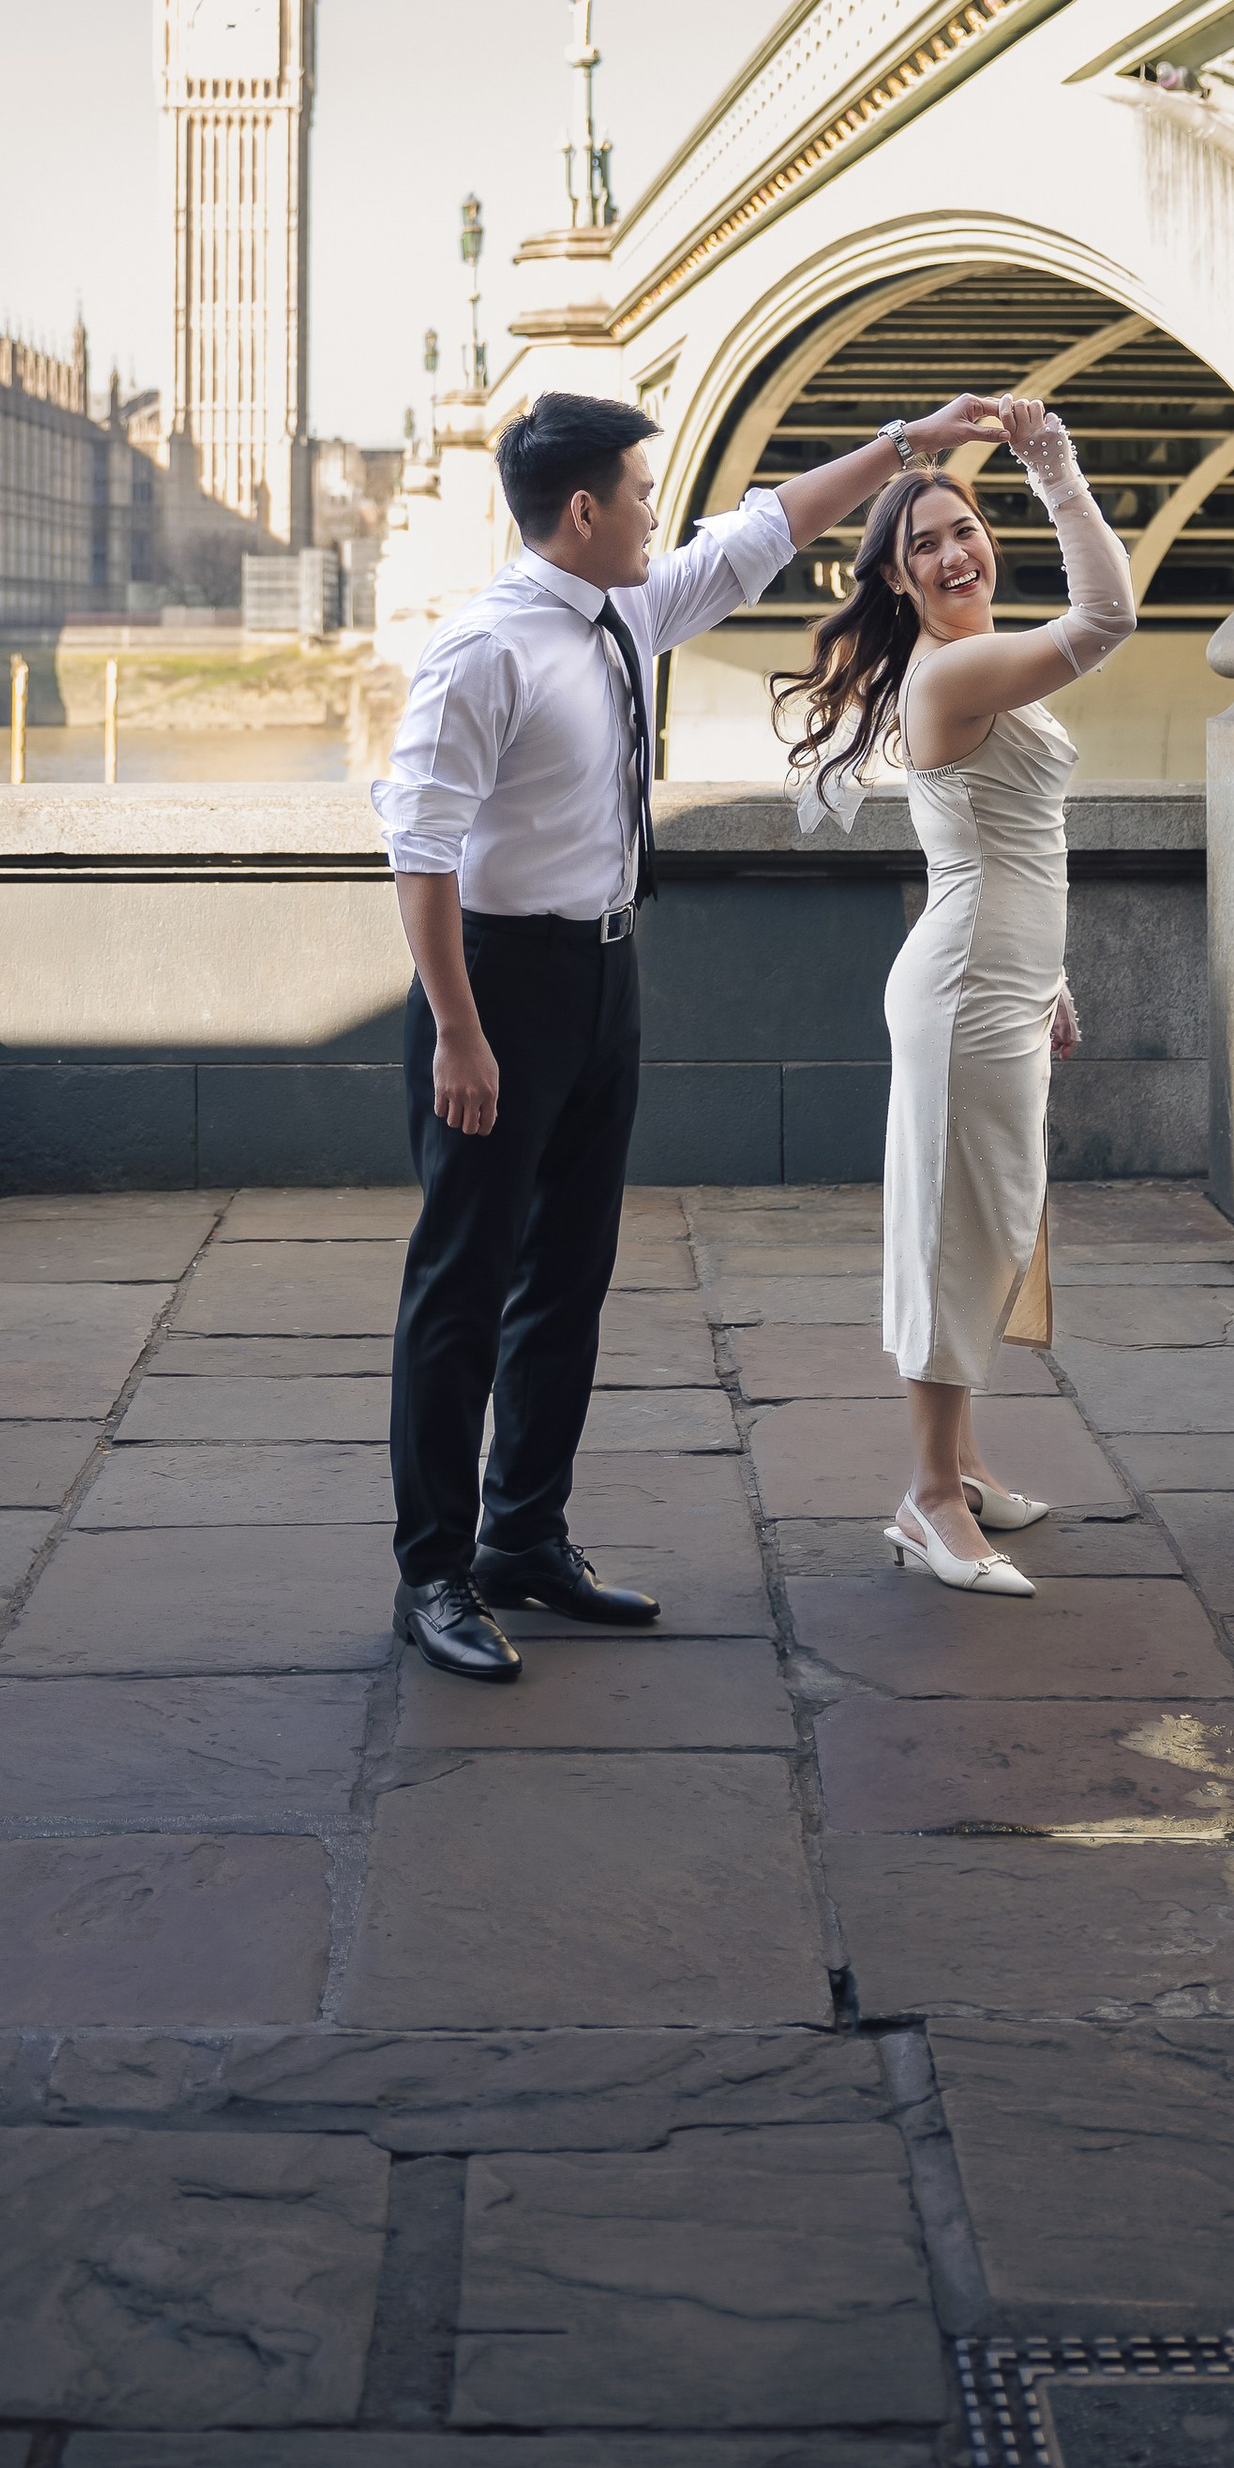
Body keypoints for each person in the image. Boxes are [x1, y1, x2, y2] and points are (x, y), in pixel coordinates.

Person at [373, 383, 1013, 1679]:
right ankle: (434, 1574)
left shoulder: (621, 608)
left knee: (568, 1277)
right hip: (495, 988)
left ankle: (523, 1541)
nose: (665, 513)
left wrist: (906, 441)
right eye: (646, 492)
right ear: (586, 508)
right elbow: (420, 850)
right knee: (461, 1290)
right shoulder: (484, 647)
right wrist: (458, 1031)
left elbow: (761, 531)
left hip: (605, 977)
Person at [774, 395, 1135, 1596]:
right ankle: (928, 1501)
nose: (954, 550)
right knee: (954, 1230)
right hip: (965, 981)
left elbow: (1002, 841)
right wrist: (1052, 465)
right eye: (923, 542)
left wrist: (1053, 976)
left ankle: (964, 1462)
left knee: (986, 1219)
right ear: (894, 580)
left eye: (964, 525)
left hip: (996, 972)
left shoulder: (977, 664)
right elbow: (1112, 615)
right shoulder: (954, 674)